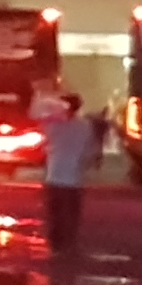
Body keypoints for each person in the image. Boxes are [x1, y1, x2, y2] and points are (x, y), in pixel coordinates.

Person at [37, 89, 105, 257]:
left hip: (54, 174)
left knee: (55, 214)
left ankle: (56, 246)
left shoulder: (53, 125)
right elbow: (90, 150)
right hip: (75, 177)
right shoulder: (85, 126)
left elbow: (44, 143)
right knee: (72, 214)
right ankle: (70, 244)